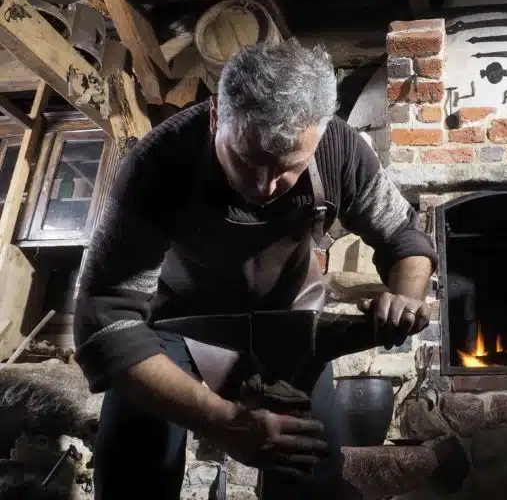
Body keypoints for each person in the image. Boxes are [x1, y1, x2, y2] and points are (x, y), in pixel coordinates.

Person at [73, 39, 437, 499]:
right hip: (174, 330)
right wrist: (222, 422)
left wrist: (406, 295)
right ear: (216, 117)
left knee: (313, 480)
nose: (264, 186)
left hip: (288, 328)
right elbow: (106, 320)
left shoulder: (339, 148)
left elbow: (403, 235)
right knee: (134, 466)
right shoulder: (157, 164)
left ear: (320, 134)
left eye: (288, 168)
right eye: (246, 161)